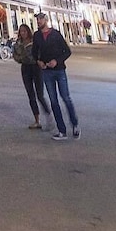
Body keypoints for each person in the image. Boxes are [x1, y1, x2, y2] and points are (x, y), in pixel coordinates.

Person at [32, 12, 80, 140]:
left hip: (59, 71)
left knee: (66, 97)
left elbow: (67, 51)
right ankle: (61, 130)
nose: (38, 21)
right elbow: (34, 53)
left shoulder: (55, 34)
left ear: (46, 20)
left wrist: (57, 61)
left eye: (40, 19)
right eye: (37, 19)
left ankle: (75, 124)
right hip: (46, 72)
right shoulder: (37, 36)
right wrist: (38, 61)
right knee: (53, 101)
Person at [13, 23, 52, 128]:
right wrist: (21, 59)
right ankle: (37, 120)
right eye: (21, 31)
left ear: (28, 31)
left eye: (24, 31)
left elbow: (41, 52)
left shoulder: (34, 41)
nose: (23, 33)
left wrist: (40, 61)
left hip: (36, 67)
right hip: (25, 68)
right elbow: (15, 55)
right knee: (31, 95)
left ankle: (49, 116)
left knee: (40, 95)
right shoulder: (18, 44)